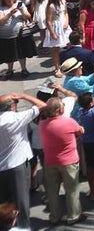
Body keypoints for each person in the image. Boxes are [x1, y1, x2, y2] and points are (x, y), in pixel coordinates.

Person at [0, 92, 47, 227]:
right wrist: (23, 96)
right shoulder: (16, 118)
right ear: (11, 107)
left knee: (4, 205)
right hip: (17, 167)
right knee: (21, 204)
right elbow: (42, 105)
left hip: (2, 169)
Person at [39, 96, 85, 227]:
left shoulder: (42, 125)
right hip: (69, 162)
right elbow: (79, 131)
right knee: (72, 189)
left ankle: (55, 216)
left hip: (50, 161)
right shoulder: (68, 122)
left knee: (53, 191)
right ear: (60, 110)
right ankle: (73, 215)